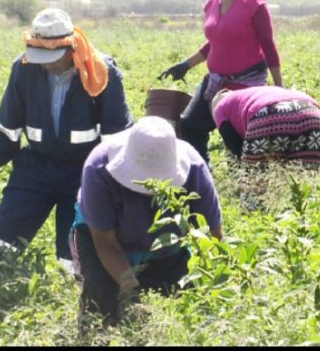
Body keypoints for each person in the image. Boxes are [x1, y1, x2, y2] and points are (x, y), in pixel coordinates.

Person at [0, 8, 134, 273]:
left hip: (83, 173)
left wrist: (116, 190)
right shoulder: (23, 69)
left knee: (77, 261)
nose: (45, 63)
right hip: (36, 168)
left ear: (71, 48)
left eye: (52, 57)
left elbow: (117, 139)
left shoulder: (102, 72)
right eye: (39, 56)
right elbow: (8, 127)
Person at [69, 116, 223, 325]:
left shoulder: (195, 169)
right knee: (102, 310)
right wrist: (132, 293)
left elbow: (213, 238)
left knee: (193, 309)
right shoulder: (98, 168)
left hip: (166, 248)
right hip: (106, 243)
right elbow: (106, 244)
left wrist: (215, 282)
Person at [158, 0, 283, 164]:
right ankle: (202, 175)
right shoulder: (212, 2)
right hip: (216, 80)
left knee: (236, 139)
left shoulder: (254, 3)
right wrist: (185, 65)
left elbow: (268, 45)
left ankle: (245, 183)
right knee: (190, 124)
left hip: (246, 83)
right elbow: (215, 43)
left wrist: (279, 87)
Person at [211, 86, 320, 171]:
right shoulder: (254, 92)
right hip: (311, 112)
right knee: (305, 179)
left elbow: (235, 149)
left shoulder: (220, 107)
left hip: (268, 115)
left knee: (253, 183)